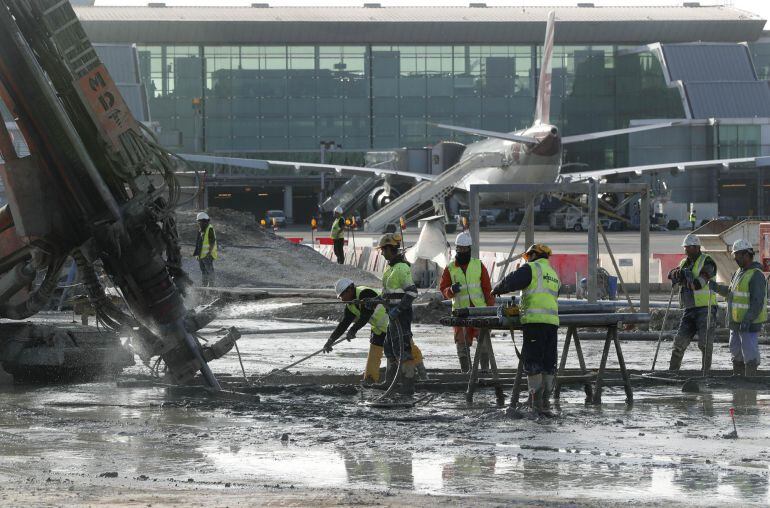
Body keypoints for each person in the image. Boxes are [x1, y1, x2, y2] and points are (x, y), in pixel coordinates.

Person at [492, 244, 560, 415]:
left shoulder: (532, 268)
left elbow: (511, 280)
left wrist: (497, 289)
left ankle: (535, 404)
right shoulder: (553, 274)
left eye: (528, 256)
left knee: (533, 362)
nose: (527, 259)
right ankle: (545, 403)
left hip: (535, 323)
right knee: (548, 362)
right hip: (552, 324)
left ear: (534, 255)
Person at [323, 278, 427, 384]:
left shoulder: (365, 293)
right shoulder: (351, 304)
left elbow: (365, 315)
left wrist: (353, 330)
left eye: (342, 296)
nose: (342, 299)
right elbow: (344, 324)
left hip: (393, 323)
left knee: (407, 347)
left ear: (349, 290)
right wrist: (331, 340)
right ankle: (370, 379)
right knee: (374, 354)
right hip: (378, 328)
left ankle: (422, 374)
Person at [708, 239, 766, 376]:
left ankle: (750, 379)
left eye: (738, 255)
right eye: (735, 255)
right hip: (736, 322)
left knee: (749, 351)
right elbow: (731, 293)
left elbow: (757, 302)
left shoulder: (756, 275)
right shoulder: (739, 273)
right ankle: (738, 378)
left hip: (748, 323)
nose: (735, 259)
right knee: (736, 350)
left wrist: (748, 319)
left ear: (747, 255)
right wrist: (716, 287)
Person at [439, 231, 495, 373]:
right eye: (460, 249)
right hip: (460, 313)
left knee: (483, 345)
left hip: (479, 312)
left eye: (465, 249)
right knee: (462, 345)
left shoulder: (478, 265)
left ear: (469, 249)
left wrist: (490, 311)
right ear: (456, 249)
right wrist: (451, 290)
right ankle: (466, 373)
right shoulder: (450, 268)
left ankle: (484, 372)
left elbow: (487, 290)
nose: (462, 251)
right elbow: (443, 290)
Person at [666, 234, 717, 371]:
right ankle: (673, 372)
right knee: (679, 343)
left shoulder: (707, 262)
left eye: (688, 248)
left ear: (697, 248)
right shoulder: (684, 263)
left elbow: (698, 284)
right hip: (689, 309)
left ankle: (705, 374)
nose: (686, 250)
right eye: (685, 248)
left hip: (705, 309)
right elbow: (672, 274)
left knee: (705, 344)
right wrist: (675, 274)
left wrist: (683, 280)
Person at [377, 232, 419, 395]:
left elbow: (412, 293)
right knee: (390, 347)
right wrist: (377, 300)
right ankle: (391, 382)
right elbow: (390, 292)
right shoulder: (392, 268)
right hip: (392, 315)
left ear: (389, 248)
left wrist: (398, 309)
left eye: (383, 250)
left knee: (403, 349)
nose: (381, 253)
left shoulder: (401, 268)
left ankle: (408, 386)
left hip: (401, 315)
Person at [193, 211, 217, 287]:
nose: (198, 223)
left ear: (203, 221)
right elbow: (198, 243)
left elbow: (212, 241)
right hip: (201, 255)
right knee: (203, 271)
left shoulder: (209, 229)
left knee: (209, 270)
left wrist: (209, 253)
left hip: (207, 255)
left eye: (199, 222)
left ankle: (212, 285)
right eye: (198, 222)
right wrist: (197, 254)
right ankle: (204, 285)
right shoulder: (201, 230)